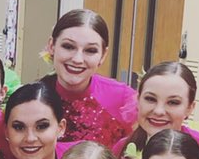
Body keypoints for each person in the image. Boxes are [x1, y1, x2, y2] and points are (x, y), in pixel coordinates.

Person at [40, 9, 136, 148]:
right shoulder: (31, 98)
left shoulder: (124, 100)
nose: (77, 59)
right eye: (68, 47)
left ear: (103, 55)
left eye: (90, 50)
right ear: (51, 46)